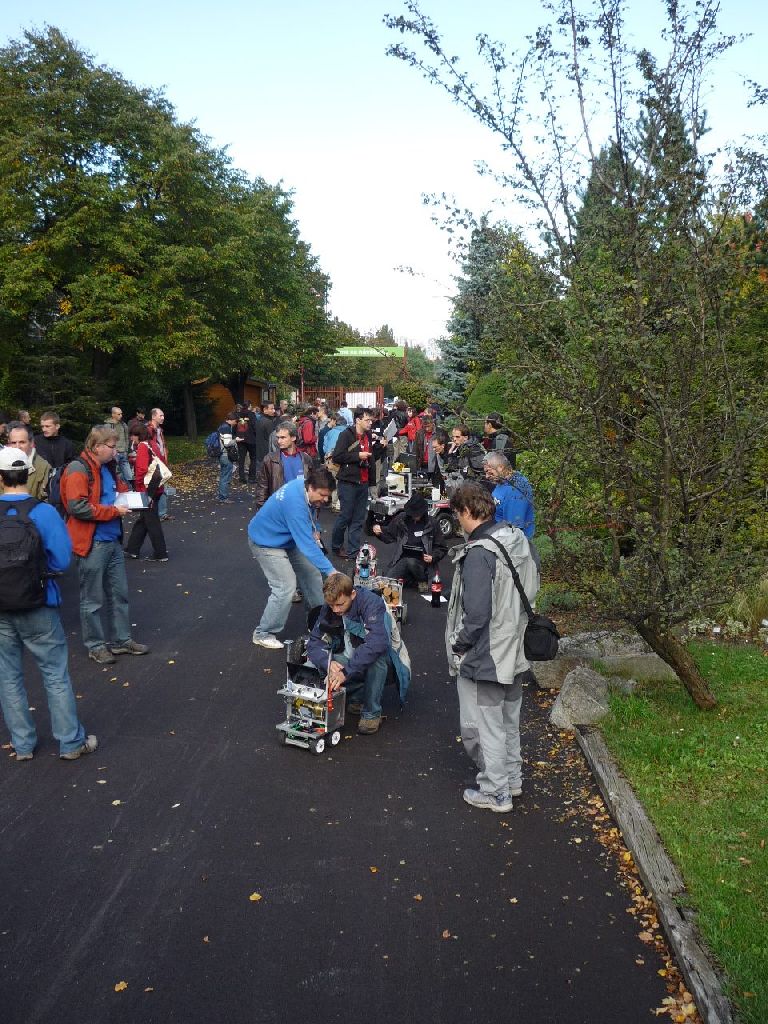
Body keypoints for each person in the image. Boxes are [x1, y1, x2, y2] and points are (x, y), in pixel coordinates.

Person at [445, 483, 538, 813]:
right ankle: (512, 779)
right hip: (516, 647)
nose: (458, 522)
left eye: (458, 515)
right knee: (509, 721)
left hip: (488, 655)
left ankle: (496, 792)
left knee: (486, 727)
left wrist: (459, 644)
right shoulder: (517, 538)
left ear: (466, 511)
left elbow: (477, 614)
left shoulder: (479, 553)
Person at [0, 447, 97, 761]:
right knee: (55, 674)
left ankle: (23, 744)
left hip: (1, 608)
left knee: (8, 677)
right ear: (28, 474)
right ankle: (70, 743)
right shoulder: (43, 512)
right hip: (39, 602)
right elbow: (62, 559)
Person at [60, 426, 150, 665]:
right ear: (97, 447)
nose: (116, 451)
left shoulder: (107, 467)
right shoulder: (78, 469)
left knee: (119, 594)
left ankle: (121, 641)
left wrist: (136, 498)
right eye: (112, 447)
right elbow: (76, 507)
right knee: (92, 600)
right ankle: (96, 646)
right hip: (92, 543)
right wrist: (113, 511)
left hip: (112, 540)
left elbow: (119, 490)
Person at [307, 572, 411, 735]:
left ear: (353, 594)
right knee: (317, 663)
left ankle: (371, 713)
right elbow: (314, 642)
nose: (335, 610)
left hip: (389, 659)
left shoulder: (372, 603)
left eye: (340, 604)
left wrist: (345, 673)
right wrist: (327, 662)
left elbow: (377, 644)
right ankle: (357, 697)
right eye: (331, 605)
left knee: (375, 660)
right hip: (352, 654)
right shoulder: (330, 607)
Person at [247, 467, 339, 650]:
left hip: (287, 537)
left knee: (312, 574)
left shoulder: (302, 487)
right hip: (265, 541)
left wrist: (315, 528)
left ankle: (318, 622)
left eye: (328, 496)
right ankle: (263, 633)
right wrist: (331, 571)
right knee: (285, 586)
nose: (325, 500)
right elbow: (307, 546)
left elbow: (310, 515)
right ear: (311, 488)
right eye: (322, 495)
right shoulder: (294, 503)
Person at [331, 407, 385, 559]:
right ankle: (336, 546)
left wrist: (380, 447)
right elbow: (337, 457)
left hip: (363, 482)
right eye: (367, 420)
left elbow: (371, 458)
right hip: (348, 482)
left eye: (371, 420)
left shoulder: (368, 435)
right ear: (358, 420)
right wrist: (357, 456)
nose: (370, 423)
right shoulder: (346, 435)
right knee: (345, 516)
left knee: (358, 519)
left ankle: (353, 551)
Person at [372, 493, 448, 590]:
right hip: (402, 560)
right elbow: (389, 535)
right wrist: (379, 532)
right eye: (413, 513)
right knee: (391, 578)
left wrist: (433, 557)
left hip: (423, 565)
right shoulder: (402, 519)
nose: (414, 516)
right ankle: (402, 582)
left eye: (417, 514)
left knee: (409, 561)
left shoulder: (432, 523)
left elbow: (442, 547)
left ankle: (419, 582)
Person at [124, 423, 168, 561]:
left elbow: (141, 470)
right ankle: (132, 549)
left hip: (147, 490)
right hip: (156, 487)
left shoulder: (143, 446)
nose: (131, 438)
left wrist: (138, 487)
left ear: (138, 435)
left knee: (151, 521)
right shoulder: (153, 444)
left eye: (132, 435)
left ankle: (161, 553)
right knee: (144, 519)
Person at [253, 422, 314, 512]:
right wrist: (263, 510)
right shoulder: (270, 459)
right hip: (279, 508)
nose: (279, 441)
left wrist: (313, 509)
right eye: (278, 437)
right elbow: (262, 487)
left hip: (301, 508)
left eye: (283, 437)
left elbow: (312, 486)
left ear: (293, 438)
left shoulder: (306, 459)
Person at [483, 453, 535, 539]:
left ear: (501, 467)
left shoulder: (514, 491)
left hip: (510, 541)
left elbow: (513, 530)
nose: (487, 476)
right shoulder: (504, 479)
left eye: (489, 472)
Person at [1, 422, 51, 501]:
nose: (17, 447)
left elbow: (46, 500)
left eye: (22, 442)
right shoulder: (1, 463)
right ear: (8, 443)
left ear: (31, 443)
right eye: (13, 443)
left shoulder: (44, 467)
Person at [147, 408, 172, 520]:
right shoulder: (148, 430)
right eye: (160, 415)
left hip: (162, 462)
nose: (163, 418)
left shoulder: (159, 430)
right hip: (154, 463)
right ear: (153, 416)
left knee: (162, 486)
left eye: (163, 415)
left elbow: (162, 446)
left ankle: (161, 513)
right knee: (155, 487)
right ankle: (153, 513)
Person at [216, 410, 240, 503]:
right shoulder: (226, 428)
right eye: (235, 421)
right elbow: (227, 443)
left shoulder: (222, 426)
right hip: (226, 455)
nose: (236, 423)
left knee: (223, 476)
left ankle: (221, 495)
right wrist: (236, 440)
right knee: (226, 477)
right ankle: (223, 497)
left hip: (221, 454)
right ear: (231, 420)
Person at [103, 407, 133, 484]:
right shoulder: (108, 425)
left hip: (124, 452)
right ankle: (116, 487)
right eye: (118, 414)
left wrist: (127, 449)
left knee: (129, 475)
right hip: (114, 453)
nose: (121, 415)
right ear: (113, 414)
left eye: (121, 414)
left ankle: (130, 488)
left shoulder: (123, 425)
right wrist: (111, 451)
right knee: (114, 474)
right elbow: (106, 439)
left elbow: (127, 438)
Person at [235, 402, 259, 485]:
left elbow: (235, 426)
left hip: (241, 440)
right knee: (253, 458)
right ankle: (252, 478)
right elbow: (255, 427)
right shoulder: (252, 415)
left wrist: (236, 436)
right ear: (249, 406)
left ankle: (242, 478)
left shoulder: (238, 414)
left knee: (241, 459)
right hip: (251, 440)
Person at [253, 400, 279, 467]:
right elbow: (272, 439)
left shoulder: (259, 420)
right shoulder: (268, 422)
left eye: (274, 408)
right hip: (267, 454)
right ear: (265, 410)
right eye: (271, 409)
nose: (274, 411)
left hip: (259, 453)